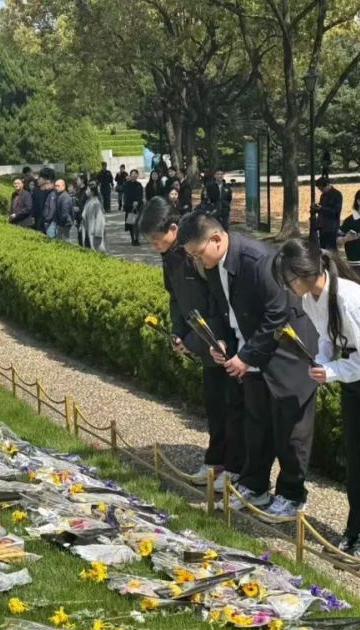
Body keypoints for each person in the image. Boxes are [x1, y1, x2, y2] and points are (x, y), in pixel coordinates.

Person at [273, 239, 360, 561]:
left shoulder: (353, 300)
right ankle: (354, 530)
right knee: (355, 458)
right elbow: (325, 338)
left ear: (305, 273)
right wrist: (322, 362)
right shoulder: (312, 299)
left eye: (289, 279)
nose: (288, 287)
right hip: (352, 372)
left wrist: (332, 371)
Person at [179, 213, 319, 519]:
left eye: (198, 253)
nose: (197, 261)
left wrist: (246, 357)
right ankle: (255, 485)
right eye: (192, 256)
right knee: (256, 424)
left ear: (216, 239)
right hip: (251, 352)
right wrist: (221, 341)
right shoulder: (213, 265)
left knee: (291, 430)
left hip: (286, 353)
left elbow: (277, 313)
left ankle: (292, 495)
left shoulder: (258, 260)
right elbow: (220, 308)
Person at [140, 198, 245, 491]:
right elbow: (176, 298)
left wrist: (198, 339)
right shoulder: (170, 257)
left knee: (232, 405)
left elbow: (216, 300)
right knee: (214, 404)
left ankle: (235, 467)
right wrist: (179, 333)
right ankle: (216, 460)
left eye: (157, 240)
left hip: (221, 338)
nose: (154, 246)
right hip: (200, 337)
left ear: (173, 229)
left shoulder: (195, 253)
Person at [310, 176, 342, 251]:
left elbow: (336, 211)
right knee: (323, 249)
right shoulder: (323, 195)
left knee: (331, 249)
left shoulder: (337, 194)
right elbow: (321, 208)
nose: (321, 191)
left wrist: (321, 208)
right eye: (320, 189)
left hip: (331, 226)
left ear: (327, 185)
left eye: (322, 189)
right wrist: (316, 208)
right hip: (322, 226)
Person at [82, 181, 108, 252]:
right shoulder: (88, 201)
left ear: (92, 192)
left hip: (94, 233)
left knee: (97, 251)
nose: (86, 191)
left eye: (87, 190)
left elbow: (100, 220)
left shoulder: (96, 203)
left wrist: (98, 234)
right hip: (88, 231)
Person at [122, 169, 144, 246]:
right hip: (130, 207)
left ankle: (137, 239)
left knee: (137, 224)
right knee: (131, 224)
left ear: (137, 175)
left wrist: (137, 202)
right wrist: (131, 204)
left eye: (135, 174)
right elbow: (125, 194)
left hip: (138, 207)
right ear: (130, 175)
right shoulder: (126, 184)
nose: (134, 175)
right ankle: (132, 240)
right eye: (133, 174)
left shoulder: (139, 185)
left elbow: (141, 195)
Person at [33, 167, 57, 233]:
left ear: (47, 180)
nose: (38, 179)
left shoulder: (53, 192)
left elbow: (52, 209)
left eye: (40, 178)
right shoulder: (36, 191)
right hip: (38, 222)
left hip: (49, 224)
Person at [73, 177, 89, 247]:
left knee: (85, 239)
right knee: (80, 238)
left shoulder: (86, 192)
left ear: (82, 180)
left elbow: (87, 206)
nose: (76, 181)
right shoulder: (78, 191)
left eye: (78, 180)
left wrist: (79, 209)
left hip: (84, 219)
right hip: (79, 219)